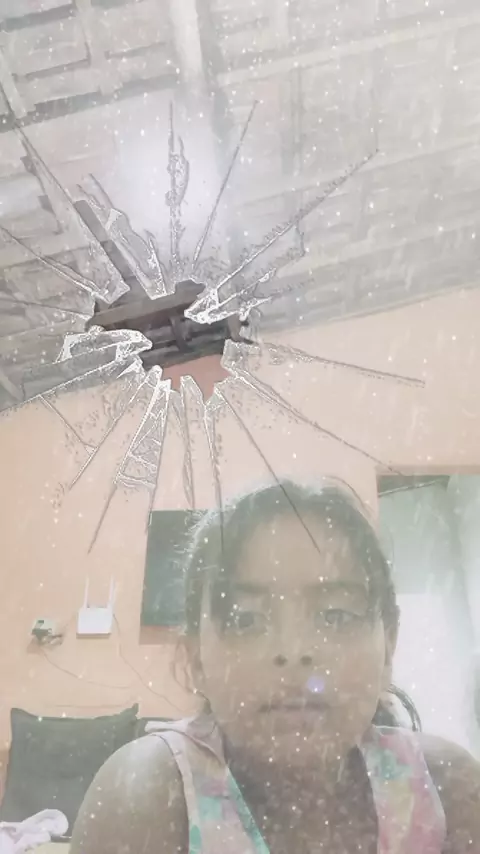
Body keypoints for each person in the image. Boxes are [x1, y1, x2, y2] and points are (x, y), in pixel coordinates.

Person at [71, 480, 480, 854]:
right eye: (246, 619)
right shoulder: (146, 794)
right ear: (195, 660)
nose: (293, 651)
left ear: (388, 647)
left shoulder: (446, 786)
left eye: (335, 615)